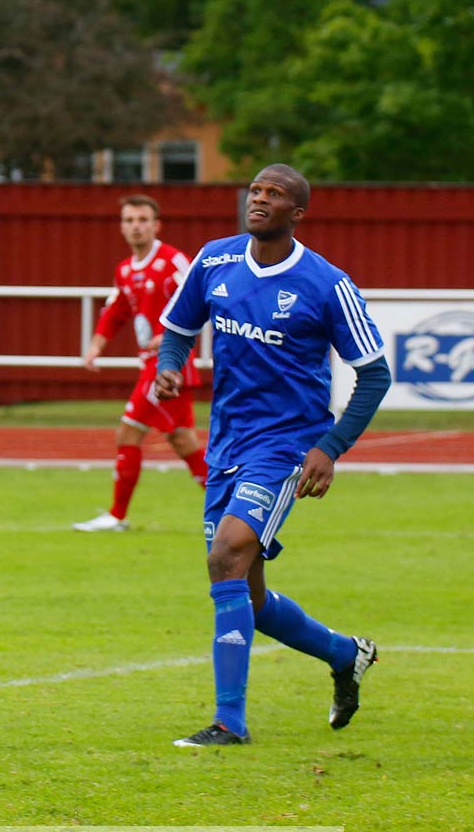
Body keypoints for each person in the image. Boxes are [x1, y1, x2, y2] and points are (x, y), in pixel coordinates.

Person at [154, 164, 392, 747]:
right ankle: (345, 654)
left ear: (297, 213)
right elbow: (180, 328)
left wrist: (329, 447)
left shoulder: (327, 284)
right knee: (248, 595)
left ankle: (228, 722)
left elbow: (375, 374)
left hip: (285, 445)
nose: (259, 199)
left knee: (226, 553)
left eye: (275, 194)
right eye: (255, 190)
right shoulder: (214, 260)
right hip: (227, 441)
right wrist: (170, 366)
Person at [74, 195, 208, 532]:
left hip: (169, 367)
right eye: (130, 220)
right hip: (153, 366)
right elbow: (116, 311)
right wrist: (95, 346)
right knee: (182, 441)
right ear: (122, 226)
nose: (136, 226)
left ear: (155, 224)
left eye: (143, 219)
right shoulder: (125, 270)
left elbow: (203, 298)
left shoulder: (173, 261)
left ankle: (117, 515)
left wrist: (172, 334)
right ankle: (232, 508)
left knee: (128, 432)